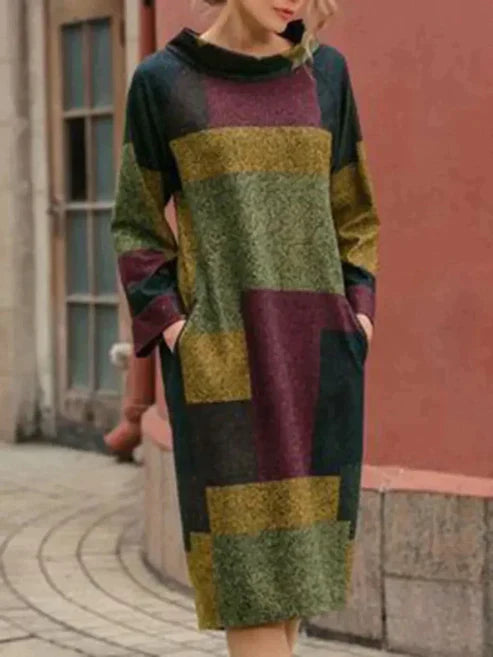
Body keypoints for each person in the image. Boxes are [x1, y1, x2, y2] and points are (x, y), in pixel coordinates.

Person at [111, 0, 380, 655]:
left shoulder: (325, 74)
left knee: (295, 590)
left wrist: (359, 317)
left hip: (320, 358)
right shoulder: (164, 82)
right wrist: (177, 331)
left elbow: (355, 214)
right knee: (252, 591)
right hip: (223, 369)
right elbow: (136, 226)